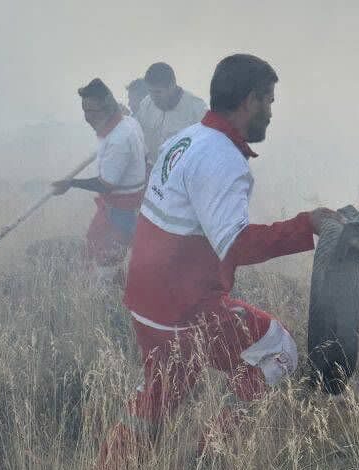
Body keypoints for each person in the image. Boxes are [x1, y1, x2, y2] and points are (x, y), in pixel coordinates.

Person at [96, 54, 343, 468]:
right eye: (268, 100)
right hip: (184, 309)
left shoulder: (186, 138)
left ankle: (113, 461)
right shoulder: (223, 158)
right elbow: (237, 245)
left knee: (157, 399)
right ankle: (211, 452)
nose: (270, 110)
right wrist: (308, 224)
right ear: (249, 101)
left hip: (146, 301)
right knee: (277, 350)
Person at [52, 79, 146, 284]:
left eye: (93, 111)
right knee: (95, 249)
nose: (88, 117)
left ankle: (107, 299)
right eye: (85, 110)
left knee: (107, 264)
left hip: (122, 212)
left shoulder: (118, 139)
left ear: (107, 108)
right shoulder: (127, 122)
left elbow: (106, 185)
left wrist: (70, 183)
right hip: (113, 207)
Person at [135, 62, 207, 167]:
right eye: (150, 91)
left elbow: (205, 148)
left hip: (182, 171)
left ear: (172, 86)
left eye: (158, 92)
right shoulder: (146, 104)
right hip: (152, 171)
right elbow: (138, 137)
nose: (153, 97)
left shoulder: (197, 109)